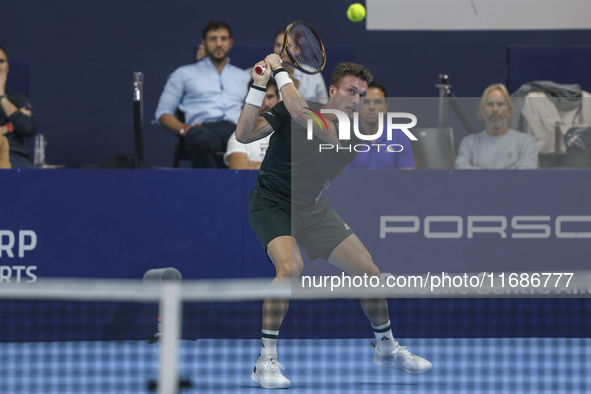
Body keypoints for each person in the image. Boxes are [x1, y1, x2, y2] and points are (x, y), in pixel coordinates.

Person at [235, 55, 431, 389]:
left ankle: (386, 348)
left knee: (369, 273)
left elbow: (301, 114)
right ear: (332, 90)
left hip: (311, 209)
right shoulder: (291, 107)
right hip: (272, 203)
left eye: (362, 95)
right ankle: (265, 360)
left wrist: (279, 71)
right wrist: (257, 86)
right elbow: (243, 134)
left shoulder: (351, 132)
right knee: (290, 267)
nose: (357, 100)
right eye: (351, 91)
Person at [155, 21, 250, 168]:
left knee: (258, 138)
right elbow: (163, 113)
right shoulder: (183, 74)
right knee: (199, 137)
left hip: (236, 130)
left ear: (230, 42)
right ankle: (210, 187)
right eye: (213, 39)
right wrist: (185, 129)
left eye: (223, 39)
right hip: (203, 129)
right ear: (203, 43)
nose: (219, 44)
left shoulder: (244, 77)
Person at [454, 83, 538, 169]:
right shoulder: (470, 143)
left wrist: (474, 170)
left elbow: (524, 176)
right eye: (490, 104)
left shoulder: (526, 142)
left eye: (500, 104)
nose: (495, 109)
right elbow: (460, 169)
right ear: (483, 111)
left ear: (509, 110)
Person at [348, 81, 414, 169]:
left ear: (385, 107)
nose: (372, 107)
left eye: (378, 102)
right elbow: (342, 180)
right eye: (366, 102)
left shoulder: (399, 137)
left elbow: (407, 179)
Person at [224, 79, 280, 169]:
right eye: (261, 98)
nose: (265, 103)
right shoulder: (239, 137)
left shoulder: (292, 132)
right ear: (253, 100)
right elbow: (239, 168)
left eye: (270, 97)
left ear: (278, 98)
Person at [0, 45, 37, 169]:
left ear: (8, 67)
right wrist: (10, 127)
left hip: (17, 160)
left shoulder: (18, 100)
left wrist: (2, 97)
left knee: (49, 181)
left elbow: (28, 129)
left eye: (1, 61)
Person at [273, 27, 328, 100]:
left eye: (288, 45)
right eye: (278, 45)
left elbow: (323, 105)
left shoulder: (314, 75)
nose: (281, 49)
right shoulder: (266, 75)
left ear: (297, 50)